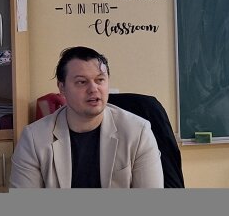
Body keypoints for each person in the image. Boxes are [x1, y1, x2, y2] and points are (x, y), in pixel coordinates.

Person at [10, 46, 163, 188]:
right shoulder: (34, 139)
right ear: (62, 87)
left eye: (100, 80)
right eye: (82, 82)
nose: (93, 89)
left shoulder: (138, 132)